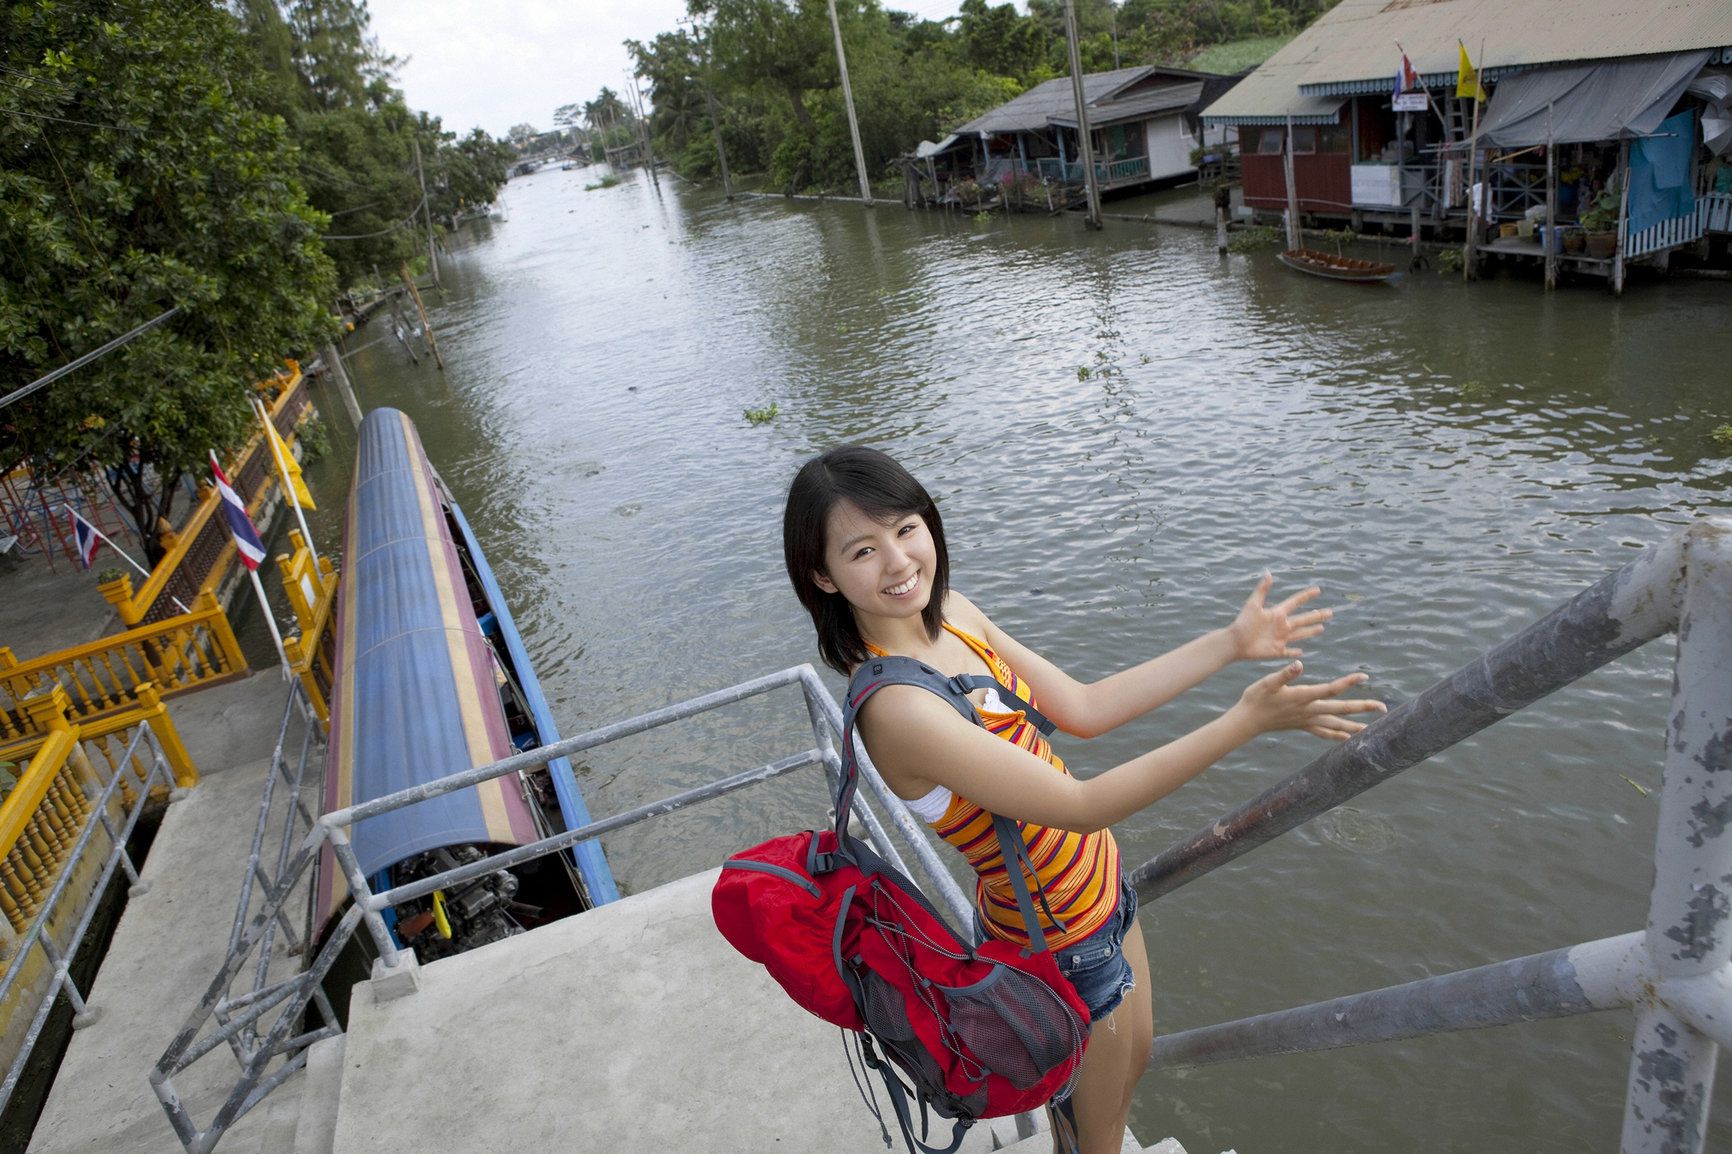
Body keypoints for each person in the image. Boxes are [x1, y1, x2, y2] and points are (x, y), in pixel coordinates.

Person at [782, 444, 1387, 1154]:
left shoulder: (956, 616)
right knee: (1098, 1139)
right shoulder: (898, 708)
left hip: (1105, 898)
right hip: (1058, 944)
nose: (899, 562)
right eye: (863, 549)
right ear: (822, 575)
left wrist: (1230, 643)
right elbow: (1083, 802)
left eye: (906, 528)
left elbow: (1086, 707)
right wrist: (1245, 721)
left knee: (1127, 1074)